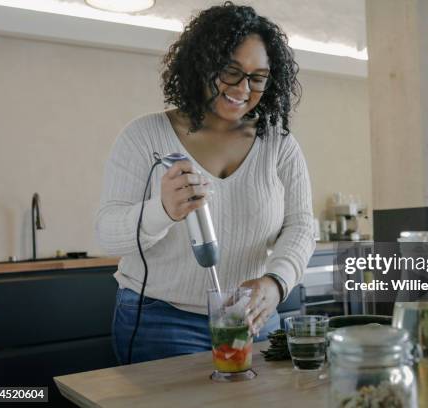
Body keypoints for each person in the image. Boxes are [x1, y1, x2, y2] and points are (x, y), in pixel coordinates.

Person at [95, 2, 316, 364]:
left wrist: (276, 284)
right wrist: (162, 210)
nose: (243, 88)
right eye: (231, 71)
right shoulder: (144, 137)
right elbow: (107, 235)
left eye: (257, 77)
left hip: (252, 316)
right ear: (201, 65)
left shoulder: (279, 144)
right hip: (159, 319)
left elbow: (302, 226)